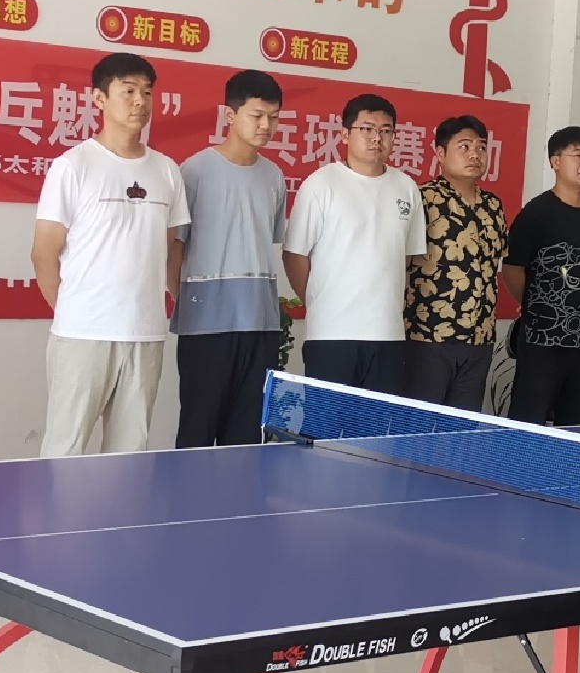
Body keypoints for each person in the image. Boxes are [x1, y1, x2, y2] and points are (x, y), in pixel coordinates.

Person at [32, 52, 189, 456]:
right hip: (83, 335)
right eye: (128, 91)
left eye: (147, 92)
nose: (140, 101)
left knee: (129, 453)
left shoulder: (167, 170)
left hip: (145, 333)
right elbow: (44, 253)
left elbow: (169, 247)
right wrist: (73, 310)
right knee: (65, 449)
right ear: (99, 99)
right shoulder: (74, 166)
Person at [282, 94, 425, 394]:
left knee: (377, 423)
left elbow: (406, 258)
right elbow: (295, 255)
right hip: (332, 333)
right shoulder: (321, 184)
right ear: (345, 134)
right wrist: (319, 301)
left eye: (386, 131)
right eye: (367, 129)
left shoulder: (406, 188)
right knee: (327, 421)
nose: (377, 138)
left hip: (388, 334)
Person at [174, 70, 287, 447]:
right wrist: (189, 303)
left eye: (273, 117)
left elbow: (266, 243)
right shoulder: (194, 171)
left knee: (247, 434)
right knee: (198, 427)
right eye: (257, 115)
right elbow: (175, 247)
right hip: (206, 324)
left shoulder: (274, 176)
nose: (266, 125)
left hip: (260, 322)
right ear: (230, 115)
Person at [502, 126, 580, 426]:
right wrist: (537, 303)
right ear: (555, 161)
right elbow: (512, 269)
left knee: (577, 425)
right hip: (542, 342)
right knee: (528, 423)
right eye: (577, 155)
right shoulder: (536, 213)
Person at [404, 115, 509, 411]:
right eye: (464, 146)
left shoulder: (493, 205)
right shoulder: (423, 199)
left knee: (463, 427)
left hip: (480, 337)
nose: (475, 154)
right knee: (420, 424)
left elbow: (499, 264)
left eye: (481, 147)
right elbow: (401, 262)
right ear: (440, 153)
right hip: (429, 335)